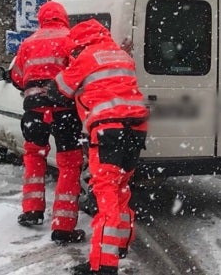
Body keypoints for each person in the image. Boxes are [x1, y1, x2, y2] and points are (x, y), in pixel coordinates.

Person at [47, 19, 149, 275]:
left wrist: (57, 76)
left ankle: (103, 264)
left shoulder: (86, 57)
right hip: (137, 128)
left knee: (106, 195)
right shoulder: (121, 56)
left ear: (78, 43)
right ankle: (120, 245)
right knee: (122, 186)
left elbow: (59, 90)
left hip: (108, 130)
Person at [9, 0, 86, 243]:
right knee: (70, 164)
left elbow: (17, 76)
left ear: (41, 18)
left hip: (34, 111)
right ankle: (63, 226)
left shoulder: (28, 43)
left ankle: (32, 210)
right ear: (63, 17)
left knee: (34, 157)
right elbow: (79, 73)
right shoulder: (70, 39)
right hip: (64, 110)